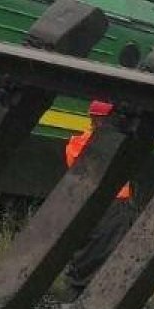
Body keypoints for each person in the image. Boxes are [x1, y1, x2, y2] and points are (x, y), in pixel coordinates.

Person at [62, 99, 137, 290]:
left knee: (91, 251)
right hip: (114, 204)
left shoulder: (77, 143)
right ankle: (88, 290)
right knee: (102, 251)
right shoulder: (90, 143)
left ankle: (81, 288)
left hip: (99, 203)